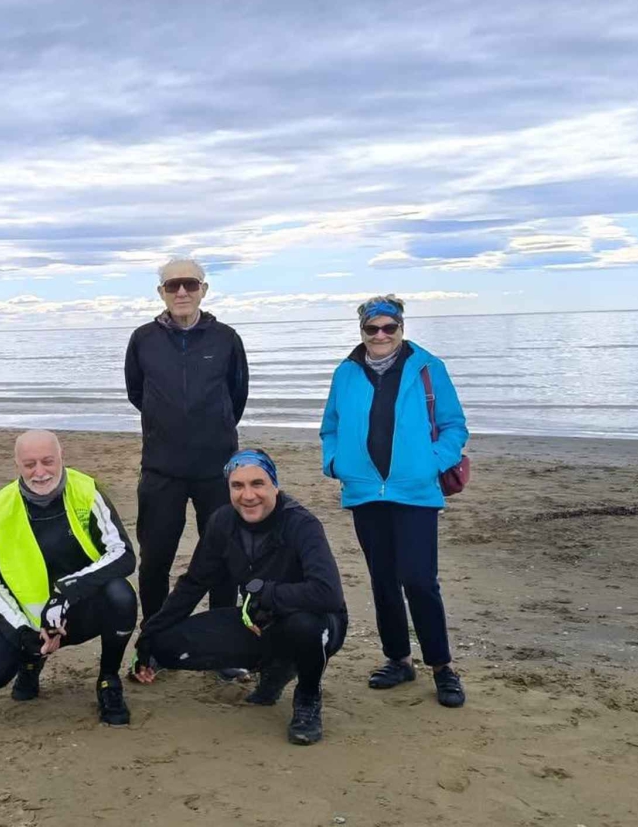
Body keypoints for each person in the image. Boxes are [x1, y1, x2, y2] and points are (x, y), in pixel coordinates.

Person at [135, 450, 347, 745]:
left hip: (317, 623)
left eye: (258, 483)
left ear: (274, 485)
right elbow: (193, 584)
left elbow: (328, 594)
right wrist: (148, 636)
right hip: (257, 620)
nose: (248, 495)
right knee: (164, 647)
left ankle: (308, 699)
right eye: (237, 486)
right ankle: (275, 671)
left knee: (303, 626)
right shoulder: (223, 522)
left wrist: (265, 592)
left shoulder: (302, 524)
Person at [318, 294, 469, 708]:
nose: (381, 335)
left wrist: (430, 463)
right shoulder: (346, 372)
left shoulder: (428, 368)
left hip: (415, 493)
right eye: (372, 328)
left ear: (401, 328)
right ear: (362, 330)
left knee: (419, 581)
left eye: (389, 327)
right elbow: (330, 426)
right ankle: (398, 659)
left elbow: (454, 427)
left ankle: (442, 667)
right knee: (383, 580)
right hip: (365, 492)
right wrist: (335, 462)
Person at [124, 258, 249, 675]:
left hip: (216, 468)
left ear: (203, 290)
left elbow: (237, 395)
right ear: (160, 292)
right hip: (161, 469)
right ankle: (154, 644)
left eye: (190, 285)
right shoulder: (143, 339)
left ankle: (225, 649)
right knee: (155, 559)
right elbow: (137, 393)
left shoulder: (226, 338)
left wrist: (210, 429)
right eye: (172, 285)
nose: (181, 292)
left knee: (224, 557)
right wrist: (169, 427)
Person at [0, 431, 137, 726]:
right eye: (29, 464)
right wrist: (23, 632)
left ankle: (108, 679)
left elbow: (123, 554)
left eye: (48, 461)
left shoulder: (86, 490)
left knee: (121, 595)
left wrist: (67, 591)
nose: (40, 472)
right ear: (17, 465)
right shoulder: (0, 507)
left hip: (79, 611)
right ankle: (32, 660)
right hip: (31, 621)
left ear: (61, 458)